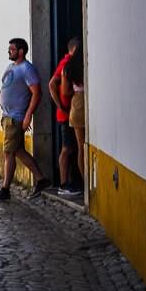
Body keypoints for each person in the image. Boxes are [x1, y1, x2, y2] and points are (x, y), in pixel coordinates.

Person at [0, 38, 51, 201]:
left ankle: (5, 189)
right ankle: (41, 179)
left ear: (21, 51)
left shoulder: (27, 69)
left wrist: (28, 115)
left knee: (8, 152)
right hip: (7, 117)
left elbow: (37, 93)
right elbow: (4, 89)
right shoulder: (10, 67)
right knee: (18, 151)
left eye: (12, 49)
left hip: (16, 117)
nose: (9, 51)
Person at [48, 38, 81, 196]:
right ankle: (63, 184)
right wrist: (61, 105)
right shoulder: (66, 62)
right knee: (67, 148)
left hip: (68, 111)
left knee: (71, 148)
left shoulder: (67, 62)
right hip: (66, 112)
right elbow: (52, 84)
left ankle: (69, 181)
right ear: (74, 49)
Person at [61, 44, 86, 186]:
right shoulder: (90, 61)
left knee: (81, 147)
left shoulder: (68, 67)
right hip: (92, 101)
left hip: (77, 104)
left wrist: (77, 91)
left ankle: (85, 181)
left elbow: (65, 92)